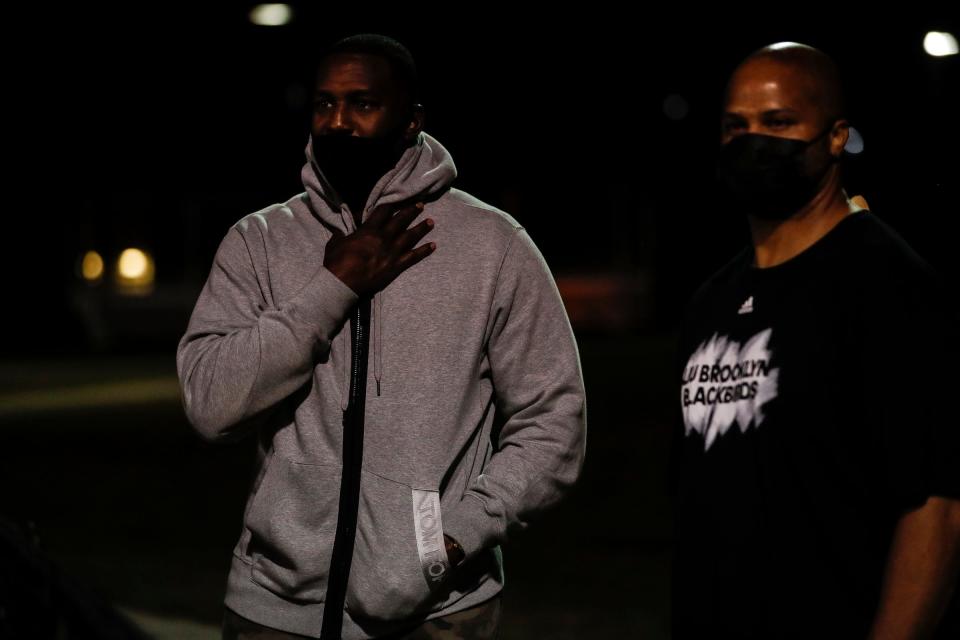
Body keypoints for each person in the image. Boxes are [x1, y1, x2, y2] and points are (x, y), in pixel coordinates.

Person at [176, 33, 587, 639]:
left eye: (363, 104)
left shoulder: (492, 245)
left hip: (438, 612)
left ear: (412, 119)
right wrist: (332, 285)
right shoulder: (258, 242)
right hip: (275, 610)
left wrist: (454, 538)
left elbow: (555, 419)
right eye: (324, 104)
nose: (338, 122)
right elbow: (211, 404)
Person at [673, 42, 960, 638]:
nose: (754, 141)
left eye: (779, 123)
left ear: (836, 137)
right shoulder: (711, 302)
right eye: (736, 126)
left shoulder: (888, 284)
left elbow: (935, 507)